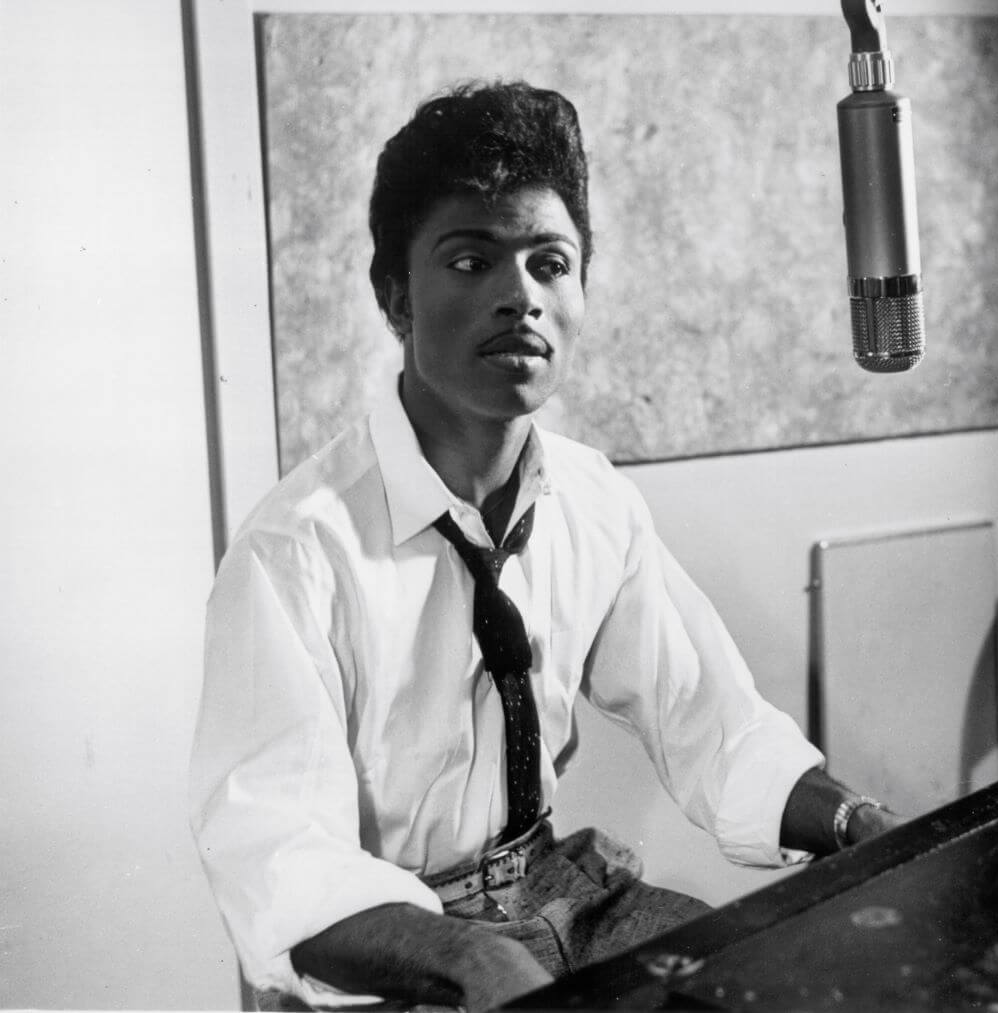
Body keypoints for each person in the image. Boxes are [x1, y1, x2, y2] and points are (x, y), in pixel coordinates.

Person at [190, 80, 902, 1013]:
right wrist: (476, 961)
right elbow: (279, 858)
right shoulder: (298, 549)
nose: (518, 297)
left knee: (775, 989)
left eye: (549, 263)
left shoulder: (592, 498)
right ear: (394, 296)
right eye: (471, 260)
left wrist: (860, 821)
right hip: (390, 953)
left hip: (557, 894)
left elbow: (712, 724)